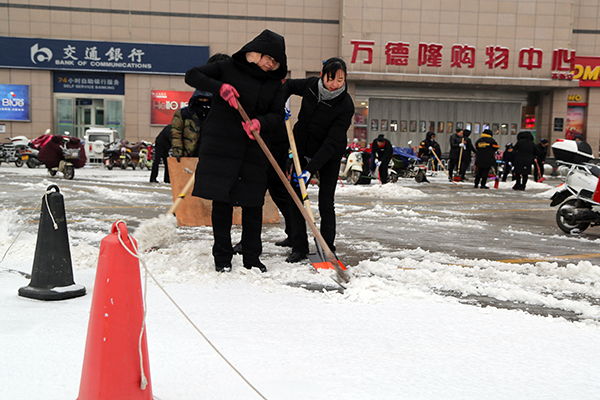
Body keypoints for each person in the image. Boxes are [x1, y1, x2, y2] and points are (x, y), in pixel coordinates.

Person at [185, 30, 287, 273]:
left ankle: (252, 257)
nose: (270, 64)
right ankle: (222, 258)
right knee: (222, 202)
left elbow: (277, 115)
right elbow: (192, 75)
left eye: (275, 62)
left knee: (253, 204)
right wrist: (220, 88)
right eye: (268, 58)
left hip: (254, 148)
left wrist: (260, 123)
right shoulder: (229, 66)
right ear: (256, 53)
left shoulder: (274, 84)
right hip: (223, 145)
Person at [282, 57, 354, 263]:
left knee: (325, 202)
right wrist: (283, 104)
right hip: (301, 148)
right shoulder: (311, 85)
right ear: (322, 76)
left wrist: (310, 170)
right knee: (296, 198)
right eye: (331, 79)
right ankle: (299, 247)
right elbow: (286, 86)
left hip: (329, 154)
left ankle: (327, 247)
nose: (335, 85)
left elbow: (332, 142)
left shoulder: (345, 104)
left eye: (340, 80)